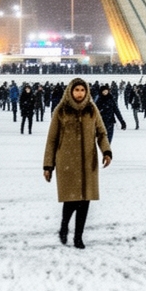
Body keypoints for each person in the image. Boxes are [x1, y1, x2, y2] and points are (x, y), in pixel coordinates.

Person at [43, 77, 112, 249]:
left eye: (82, 90)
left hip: (88, 162)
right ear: (70, 92)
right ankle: (64, 225)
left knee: (85, 199)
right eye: (76, 90)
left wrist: (106, 151)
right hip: (67, 161)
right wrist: (48, 165)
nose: (80, 93)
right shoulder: (61, 111)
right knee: (71, 199)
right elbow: (52, 139)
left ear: (86, 91)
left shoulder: (92, 110)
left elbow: (101, 133)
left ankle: (78, 237)